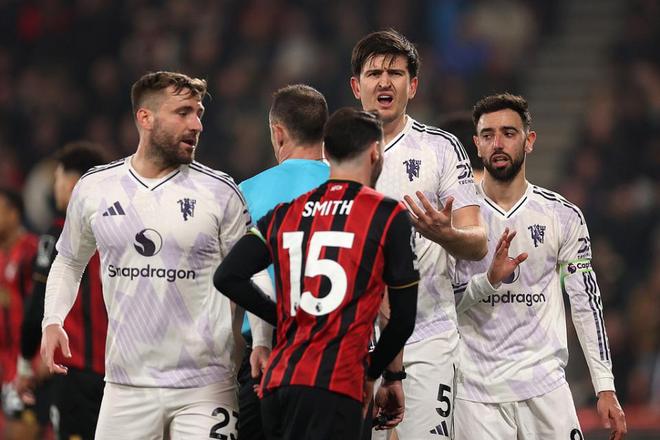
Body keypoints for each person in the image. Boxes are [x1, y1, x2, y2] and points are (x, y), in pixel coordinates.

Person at [40, 71, 250, 439]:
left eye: (198, 113)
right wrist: (52, 319)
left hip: (205, 386)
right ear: (145, 118)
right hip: (126, 386)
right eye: (183, 112)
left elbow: (252, 272)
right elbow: (70, 260)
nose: (196, 124)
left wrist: (260, 342)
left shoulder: (220, 192)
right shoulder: (96, 188)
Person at [214, 108, 419, 440]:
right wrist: (376, 374)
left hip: (279, 385)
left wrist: (281, 317)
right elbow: (401, 319)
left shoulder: (284, 214)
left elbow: (227, 276)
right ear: (375, 152)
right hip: (338, 385)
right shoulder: (386, 214)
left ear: (328, 151)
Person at [452, 93, 627, 439]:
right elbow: (442, 304)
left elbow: (586, 303)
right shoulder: (456, 216)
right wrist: (487, 281)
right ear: (477, 144)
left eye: (508, 133)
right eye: (487, 135)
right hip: (476, 394)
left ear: (529, 141)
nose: (497, 144)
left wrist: (604, 385)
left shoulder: (563, 216)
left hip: (545, 388)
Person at [350, 29, 487, 438]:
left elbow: (478, 242)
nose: (385, 82)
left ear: (413, 86)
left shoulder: (441, 149)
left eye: (395, 73)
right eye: (374, 73)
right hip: (355, 340)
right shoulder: (334, 153)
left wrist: (445, 234)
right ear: (356, 86)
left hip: (428, 335)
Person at [236, 84, 330, 440]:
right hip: (337, 356)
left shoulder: (245, 192)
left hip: (266, 354)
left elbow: (238, 279)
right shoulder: (357, 189)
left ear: (277, 133)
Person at [18, 142, 108, 440]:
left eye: (57, 179)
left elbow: (37, 303)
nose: (54, 187)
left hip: (74, 370)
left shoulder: (57, 233)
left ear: (71, 184)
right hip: (120, 373)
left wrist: (25, 362)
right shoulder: (120, 230)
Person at [0, 188, 39, 439]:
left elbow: (41, 307)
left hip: (24, 363)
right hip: (4, 362)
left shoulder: (31, 252)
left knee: (21, 430)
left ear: (14, 214)